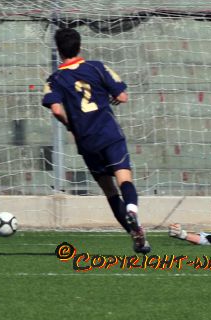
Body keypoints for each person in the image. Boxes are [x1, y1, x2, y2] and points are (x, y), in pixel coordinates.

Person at [42, 27, 151, 254]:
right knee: (124, 179)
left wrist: (70, 125)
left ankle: (136, 237)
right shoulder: (97, 67)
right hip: (109, 134)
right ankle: (132, 210)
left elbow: (56, 109)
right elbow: (122, 96)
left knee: (109, 191)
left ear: (59, 51)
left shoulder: (55, 79)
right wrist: (112, 96)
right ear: (80, 46)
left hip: (87, 141)